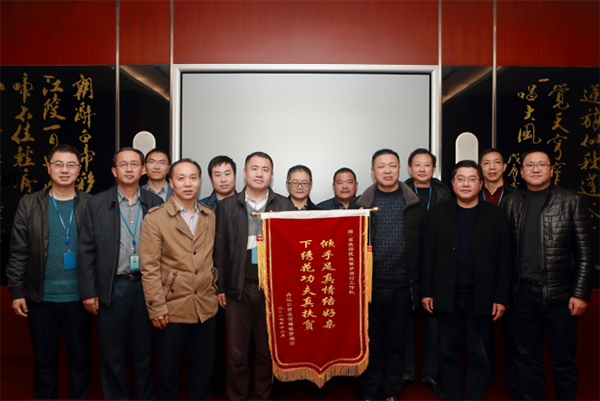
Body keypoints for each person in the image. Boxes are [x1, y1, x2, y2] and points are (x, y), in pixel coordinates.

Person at [502, 148, 594, 401]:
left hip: (560, 296)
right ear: (521, 172)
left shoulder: (572, 201)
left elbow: (586, 252)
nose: (535, 169)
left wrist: (581, 293)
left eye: (541, 164)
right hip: (521, 295)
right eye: (529, 165)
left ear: (552, 170)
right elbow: (503, 252)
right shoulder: (510, 203)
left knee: (563, 360)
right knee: (526, 358)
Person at [6, 144, 92, 400]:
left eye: (71, 165)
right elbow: (18, 250)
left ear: (79, 169)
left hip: (81, 298)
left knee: (81, 360)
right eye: (58, 164)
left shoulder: (91, 204)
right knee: (44, 363)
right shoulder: (29, 204)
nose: (64, 170)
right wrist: (16, 291)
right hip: (40, 297)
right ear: (48, 167)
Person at [421, 160, 512, 401]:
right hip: (446, 296)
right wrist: (426, 291)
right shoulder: (437, 213)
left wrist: (501, 297)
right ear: (452, 183)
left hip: (481, 297)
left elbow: (505, 261)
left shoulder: (496, 215)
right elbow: (427, 256)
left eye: (472, 179)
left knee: (478, 355)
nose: (466, 184)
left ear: (480, 184)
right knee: (447, 353)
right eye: (460, 179)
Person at [78, 147, 162, 400]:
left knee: (144, 353)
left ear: (143, 170)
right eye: (123, 164)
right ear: (114, 171)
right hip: (112, 288)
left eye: (134, 164)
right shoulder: (97, 203)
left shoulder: (156, 204)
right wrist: (89, 291)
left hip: (146, 287)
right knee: (112, 355)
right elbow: (86, 250)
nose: (129, 169)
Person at [213, 152, 294, 401]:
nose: (259, 174)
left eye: (265, 169)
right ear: (245, 173)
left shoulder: (284, 205)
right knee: (236, 353)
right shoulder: (227, 206)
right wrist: (220, 287)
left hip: (271, 290)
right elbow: (220, 250)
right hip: (237, 289)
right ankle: (237, 397)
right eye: (254, 168)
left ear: (272, 175)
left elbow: (292, 250)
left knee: (266, 352)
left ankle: (262, 396)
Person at [350, 149, 426, 401]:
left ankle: (392, 392)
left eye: (392, 165)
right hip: (369, 288)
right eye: (381, 166)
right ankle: (369, 392)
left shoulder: (414, 204)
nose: (387, 170)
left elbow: (424, 246)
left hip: (403, 285)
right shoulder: (359, 205)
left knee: (396, 344)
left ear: (400, 169)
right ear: (373, 172)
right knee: (369, 344)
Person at [140, 158, 218, 401]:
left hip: (205, 307)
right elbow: (149, 267)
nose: (187, 183)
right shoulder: (156, 218)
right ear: (171, 182)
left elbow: (212, 258)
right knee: (168, 374)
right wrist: (156, 307)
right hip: (171, 308)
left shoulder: (209, 215)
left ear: (200, 181)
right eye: (181, 178)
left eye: (193, 178)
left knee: (202, 373)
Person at [400, 148, 450, 398]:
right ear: (409, 169)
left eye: (427, 165)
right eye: (417, 165)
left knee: (435, 326)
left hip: (437, 267)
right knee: (404, 323)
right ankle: (406, 372)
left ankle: (430, 374)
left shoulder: (445, 194)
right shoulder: (400, 192)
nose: (422, 169)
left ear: (434, 169)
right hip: (407, 266)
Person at [479, 148, 519, 398]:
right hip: (480, 273)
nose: (492, 167)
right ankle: (486, 376)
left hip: (511, 272)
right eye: (486, 163)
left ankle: (514, 381)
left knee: (514, 333)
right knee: (482, 332)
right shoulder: (471, 194)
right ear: (480, 168)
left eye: (497, 163)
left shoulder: (517, 196)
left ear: (505, 167)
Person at [198, 155, 237, 398]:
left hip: (239, 283)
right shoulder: (201, 206)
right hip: (208, 285)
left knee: (241, 341)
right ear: (210, 179)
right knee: (212, 340)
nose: (223, 179)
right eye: (217, 174)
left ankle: (239, 384)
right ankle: (215, 382)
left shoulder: (246, 204)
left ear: (236, 176)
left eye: (227, 173)